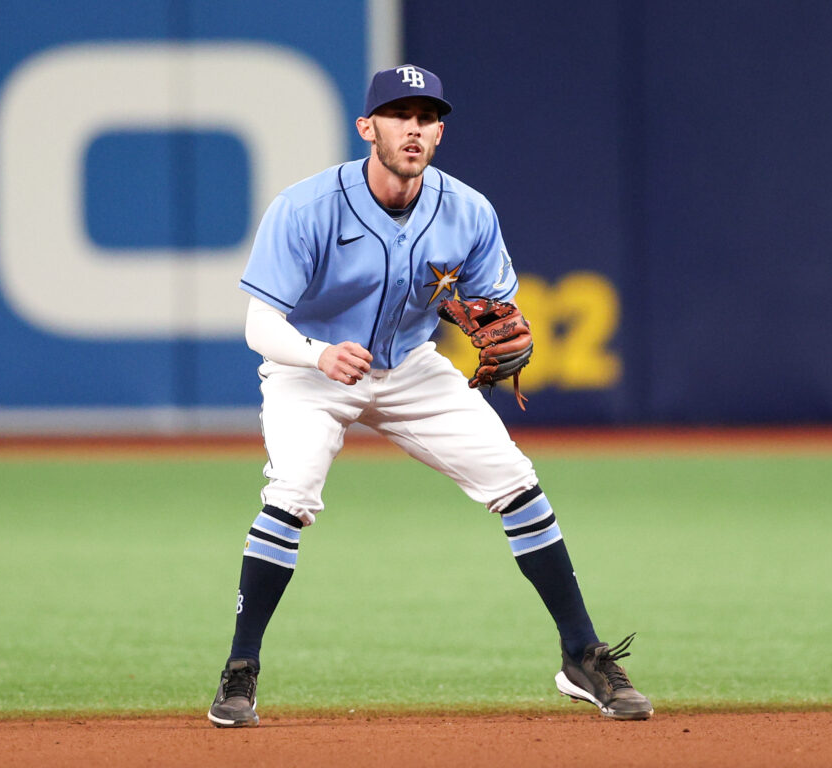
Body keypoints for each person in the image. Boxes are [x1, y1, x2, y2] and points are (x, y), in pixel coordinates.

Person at [207, 64, 653, 727]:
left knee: (517, 483)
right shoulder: (306, 208)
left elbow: (488, 305)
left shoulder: (467, 210)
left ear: (438, 133)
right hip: (313, 370)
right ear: (368, 128)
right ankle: (241, 669)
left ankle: (581, 655)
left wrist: (494, 326)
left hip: (409, 367)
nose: (413, 129)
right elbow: (259, 324)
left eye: (427, 118)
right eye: (399, 115)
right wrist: (318, 353)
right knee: (292, 494)